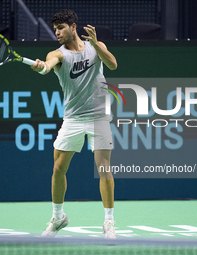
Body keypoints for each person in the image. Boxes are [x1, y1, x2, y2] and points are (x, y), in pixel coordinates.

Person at [30, 9, 118, 239]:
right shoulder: (58, 54)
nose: (57, 32)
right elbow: (49, 65)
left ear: (73, 26)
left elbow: (113, 65)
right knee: (58, 167)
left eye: (61, 28)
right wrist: (43, 67)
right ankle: (58, 216)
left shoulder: (94, 46)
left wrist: (97, 45)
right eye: (55, 29)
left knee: (104, 168)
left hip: (99, 116)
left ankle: (109, 222)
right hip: (73, 118)